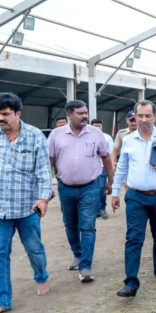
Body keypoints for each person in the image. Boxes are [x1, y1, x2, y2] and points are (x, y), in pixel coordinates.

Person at [0, 92, 53, 313]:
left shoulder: (34, 136)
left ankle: (41, 276)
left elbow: (43, 171)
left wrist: (43, 198)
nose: (0, 118)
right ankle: (2, 301)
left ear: (17, 113)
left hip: (26, 208)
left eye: (5, 114)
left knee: (34, 249)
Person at [111, 100, 156, 297]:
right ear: (134, 117)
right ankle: (131, 282)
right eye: (140, 116)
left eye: (148, 116)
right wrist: (115, 192)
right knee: (134, 238)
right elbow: (122, 168)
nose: (143, 120)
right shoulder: (128, 140)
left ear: (154, 116)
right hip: (136, 197)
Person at [47, 100, 114, 283]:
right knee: (70, 224)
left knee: (87, 226)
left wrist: (110, 180)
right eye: (80, 113)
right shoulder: (56, 134)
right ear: (69, 114)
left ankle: (85, 266)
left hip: (90, 187)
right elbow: (49, 160)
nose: (85, 116)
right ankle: (77, 254)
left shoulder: (96, 133)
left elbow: (106, 157)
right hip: (65, 187)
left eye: (86, 112)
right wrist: (46, 185)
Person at [91, 118, 114, 220]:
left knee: (101, 188)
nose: (98, 128)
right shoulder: (86, 137)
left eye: (99, 126)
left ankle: (102, 209)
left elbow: (110, 154)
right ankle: (94, 210)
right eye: (95, 126)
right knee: (91, 189)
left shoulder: (107, 137)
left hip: (102, 167)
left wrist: (112, 167)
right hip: (90, 168)